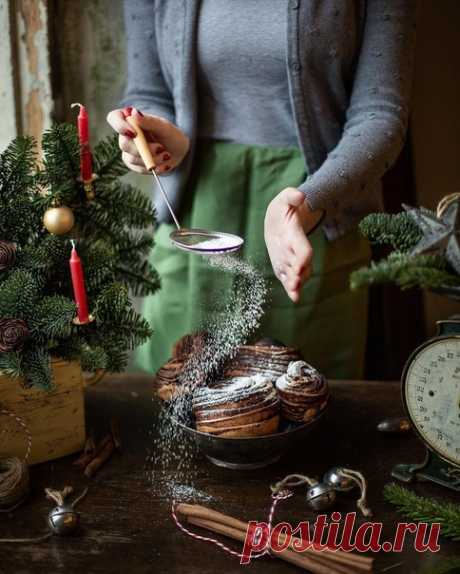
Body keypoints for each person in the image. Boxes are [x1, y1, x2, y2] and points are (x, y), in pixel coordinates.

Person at [108, 0, 416, 379]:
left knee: (303, 401)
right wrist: (155, 134)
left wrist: (309, 203)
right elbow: (148, 90)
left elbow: (381, 112)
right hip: (194, 211)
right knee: (179, 401)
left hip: (312, 210)